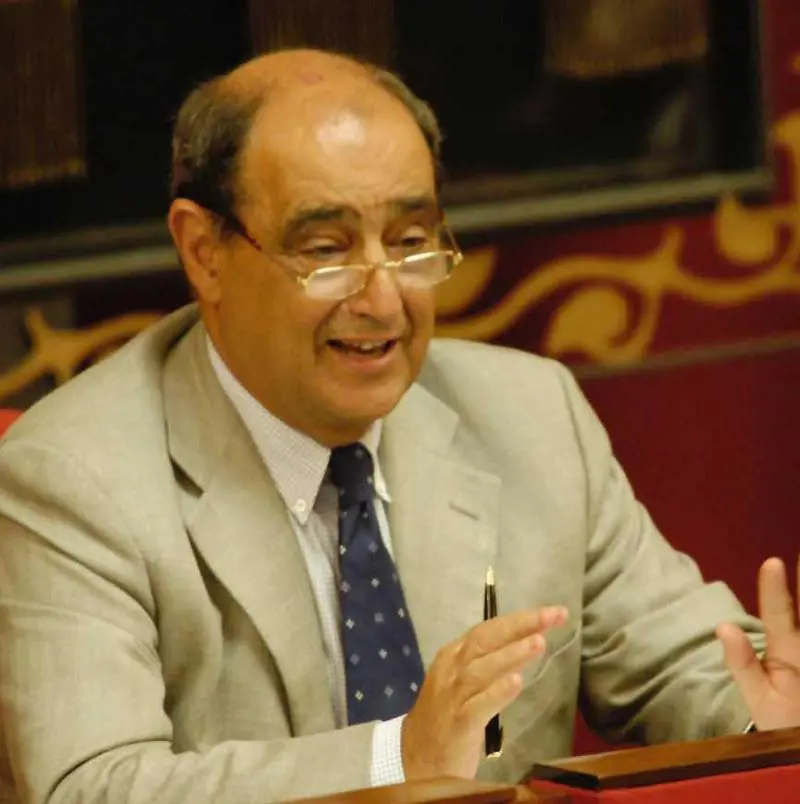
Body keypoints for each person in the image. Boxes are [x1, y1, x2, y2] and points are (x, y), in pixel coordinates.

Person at [0, 48, 798, 804]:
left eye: (412, 242)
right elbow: (91, 787)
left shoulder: (530, 414)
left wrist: (766, 721)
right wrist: (396, 762)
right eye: (327, 249)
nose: (384, 301)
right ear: (204, 251)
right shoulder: (74, 477)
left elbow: (686, 665)